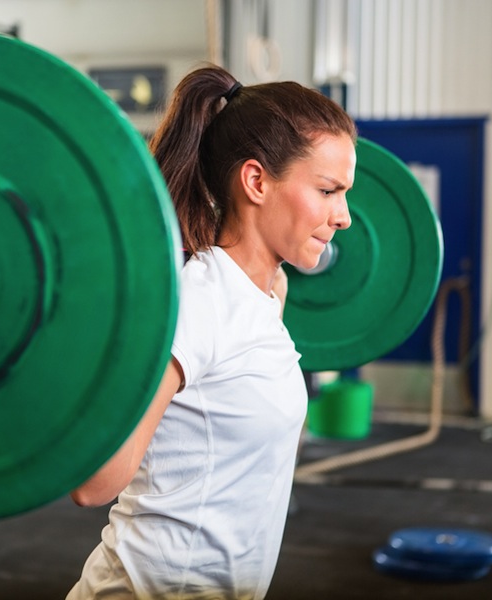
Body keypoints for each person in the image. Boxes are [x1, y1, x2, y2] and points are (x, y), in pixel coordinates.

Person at [67, 64, 357, 599]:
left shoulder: (268, 293)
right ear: (255, 181)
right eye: (327, 190)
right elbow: (95, 482)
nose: (343, 216)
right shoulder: (199, 302)